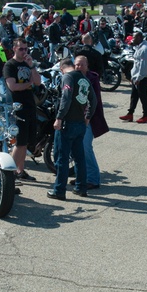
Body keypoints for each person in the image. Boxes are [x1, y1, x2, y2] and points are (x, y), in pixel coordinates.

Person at [47, 57, 96, 200]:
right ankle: (81, 187)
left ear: (62, 69)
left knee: (61, 158)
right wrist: (87, 117)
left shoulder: (67, 77)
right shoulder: (84, 79)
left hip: (67, 123)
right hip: (80, 123)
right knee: (79, 157)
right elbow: (93, 100)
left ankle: (59, 190)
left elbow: (66, 97)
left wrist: (59, 117)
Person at [4, 38, 42, 180]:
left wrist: (32, 66)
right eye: (21, 49)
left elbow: (38, 82)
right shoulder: (10, 65)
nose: (24, 52)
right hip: (17, 107)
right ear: (14, 48)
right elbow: (12, 86)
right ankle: (10, 174)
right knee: (19, 142)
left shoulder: (28, 64)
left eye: (26, 49)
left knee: (25, 142)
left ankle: (20, 171)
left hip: (30, 105)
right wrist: (29, 84)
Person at [73, 55, 107, 190]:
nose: (78, 67)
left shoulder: (92, 80)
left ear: (87, 66)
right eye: (76, 64)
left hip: (88, 120)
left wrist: (87, 117)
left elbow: (94, 101)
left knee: (85, 148)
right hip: (74, 118)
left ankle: (93, 179)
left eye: (81, 64)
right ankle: (81, 177)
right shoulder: (73, 77)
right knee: (76, 148)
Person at [119, 31, 147, 124]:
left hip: (143, 78)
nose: (132, 39)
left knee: (143, 96)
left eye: (134, 38)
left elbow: (144, 67)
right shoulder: (139, 48)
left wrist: (139, 78)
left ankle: (146, 116)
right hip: (137, 77)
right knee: (134, 96)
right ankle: (130, 114)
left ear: (139, 38)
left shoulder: (144, 50)